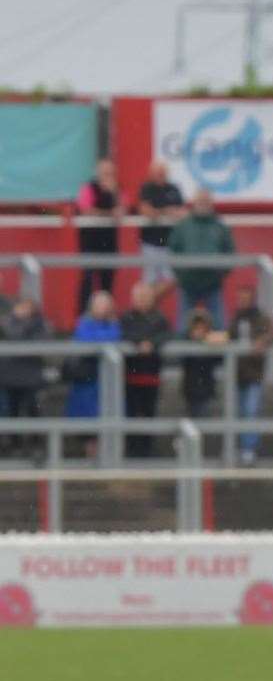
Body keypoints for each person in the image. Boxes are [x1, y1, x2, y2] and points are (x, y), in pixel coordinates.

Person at [169, 189, 237, 329]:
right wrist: (182, 274)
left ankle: (222, 352)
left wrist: (219, 275)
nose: (203, 204)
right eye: (200, 201)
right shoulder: (183, 226)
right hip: (187, 284)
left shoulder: (220, 226)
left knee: (220, 328)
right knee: (183, 329)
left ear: (212, 204)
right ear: (194, 203)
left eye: (206, 201)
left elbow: (230, 252)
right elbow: (173, 250)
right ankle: (182, 351)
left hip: (213, 285)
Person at [64, 290, 118, 456]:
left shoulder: (114, 324)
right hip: (86, 378)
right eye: (98, 305)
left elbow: (114, 338)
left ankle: (103, 453)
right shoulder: (84, 323)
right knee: (86, 417)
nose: (101, 309)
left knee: (106, 414)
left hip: (106, 380)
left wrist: (99, 341)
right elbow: (85, 341)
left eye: (104, 305)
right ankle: (89, 451)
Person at [119, 281, 168, 459]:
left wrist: (151, 344)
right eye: (139, 297)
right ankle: (132, 449)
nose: (142, 300)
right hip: (131, 376)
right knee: (131, 413)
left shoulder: (159, 318)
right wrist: (141, 342)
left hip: (151, 375)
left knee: (149, 413)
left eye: (145, 297)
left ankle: (147, 449)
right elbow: (126, 335)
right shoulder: (127, 318)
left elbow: (165, 335)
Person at [0, 297, 55, 453]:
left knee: (34, 412)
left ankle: (36, 446)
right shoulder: (7, 323)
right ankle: (12, 445)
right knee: (11, 412)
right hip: (9, 376)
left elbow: (43, 344)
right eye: (20, 307)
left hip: (32, 376)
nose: (22, 310)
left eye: (26, 307)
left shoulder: (41, 324)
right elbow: (14, 337)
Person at [228, 285, 273, 465]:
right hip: (238, 374)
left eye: (245, 297)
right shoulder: (235, 318)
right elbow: (228, 336)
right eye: (240, 297)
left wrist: (263, 341)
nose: (242, 301)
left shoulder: (260, 318)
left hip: (254, 373)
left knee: (251, 411)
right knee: (241, 411)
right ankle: (243, 447)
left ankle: (249, 449)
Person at [73, 157, 120, 317]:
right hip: (89, 243)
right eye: (105, 172)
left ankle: (107, 321)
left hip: (109, 243)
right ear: (98, 173)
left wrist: (113, 194)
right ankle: (82, 319)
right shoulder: (88, 188)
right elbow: (86, 210)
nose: (108, 175)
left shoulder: (116, 190)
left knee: (107, 284)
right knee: (87, 282)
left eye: (110, 173)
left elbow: (121, 211)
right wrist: (108, 214)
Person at [134, 160, 185, 297]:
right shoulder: (147, 188)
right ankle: (147, 304)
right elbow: (146, 211)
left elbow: (182, 213)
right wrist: (167, 211)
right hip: (150, 243)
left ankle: (148, 301)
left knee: (173, 279)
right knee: (149, 280)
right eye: (157, 173)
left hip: (170, 243)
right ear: (151, 174)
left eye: (162, 172)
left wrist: (162, 212)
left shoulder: (174, 189)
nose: (160, 175)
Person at [180, 309, 221, 416]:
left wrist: (214, 342)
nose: (199, 331)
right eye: (196, 328)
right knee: (194, 421)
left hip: (206, 390)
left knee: (203, 417)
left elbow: (220, 359)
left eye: (202, 328)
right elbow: (180, 358)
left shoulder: (211, 346)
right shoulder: (185, 343)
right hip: (190, 390)